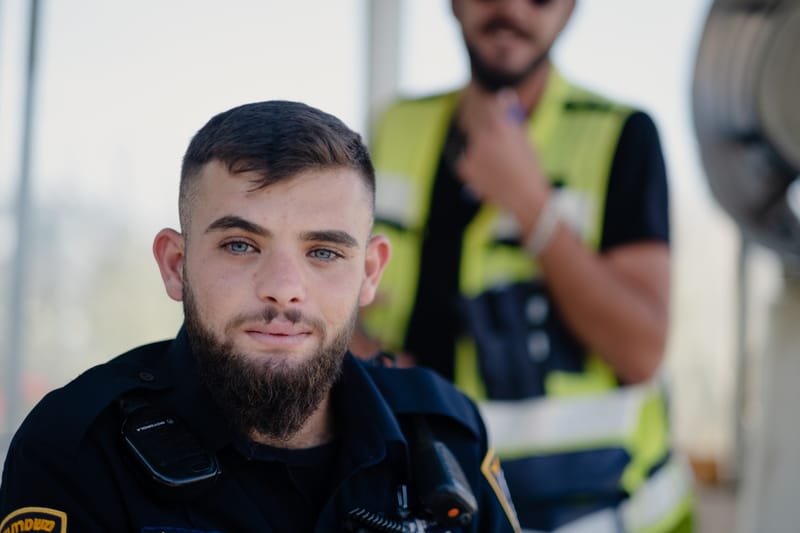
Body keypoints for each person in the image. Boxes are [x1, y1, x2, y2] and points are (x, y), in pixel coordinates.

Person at [0, 100, 522, 533]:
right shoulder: (77, 450)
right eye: (240, 245)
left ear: (369, 272)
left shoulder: (446, 436)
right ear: (176, 265)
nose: (283, 291)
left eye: (323, 252)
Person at [353, 0, 694, 531]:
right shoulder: (398, 125)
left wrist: (531, 206)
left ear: (570, 9)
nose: (510, 8)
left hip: (594, 514)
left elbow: (641, 349)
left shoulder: (621, 135)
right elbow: (333, 286)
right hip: (431, 500)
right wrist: (366, 352)